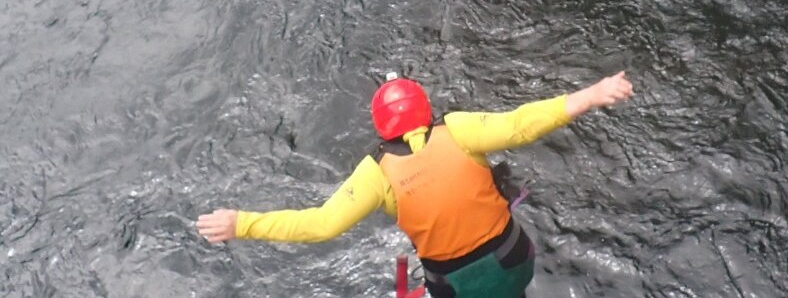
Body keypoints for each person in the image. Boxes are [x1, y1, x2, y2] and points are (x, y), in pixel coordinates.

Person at [196, 70, 634, 298]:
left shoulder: (376, 171)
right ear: (427, 110)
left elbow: (320, 225)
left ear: (380, 128)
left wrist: (242, 223)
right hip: (513, 261)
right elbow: (522, 124)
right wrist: (592, 94)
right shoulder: (459, 129)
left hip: (455, 287)